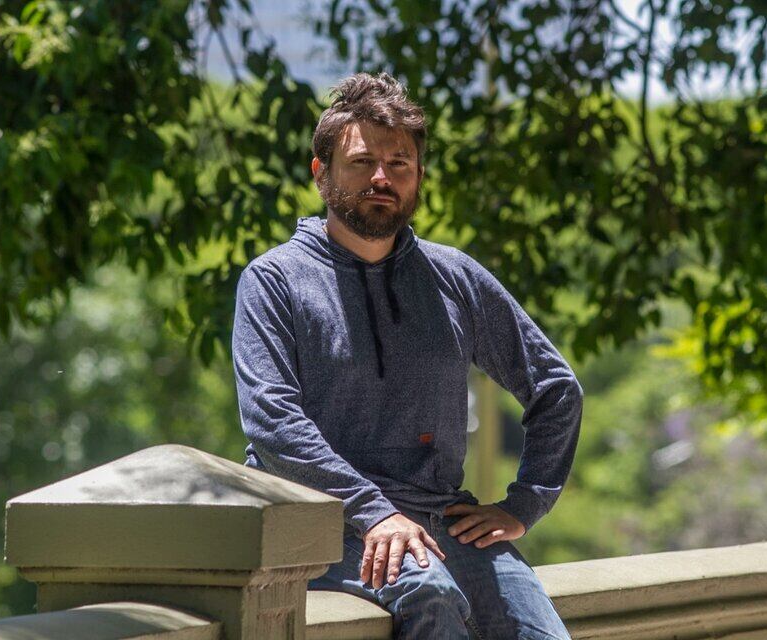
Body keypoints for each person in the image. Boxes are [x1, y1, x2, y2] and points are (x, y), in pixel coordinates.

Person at [232, 72, 582, 640]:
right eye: (362, 162)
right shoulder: (274, 281)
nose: (381, 178)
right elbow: (273, 422)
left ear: (418, 176)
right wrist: (375, 512)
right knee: (431, 595)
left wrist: (525, 504)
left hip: (445, 519)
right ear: (321, 173)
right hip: (324, 526)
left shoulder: (453, 276)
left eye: (399, 164)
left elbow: (556, 388)